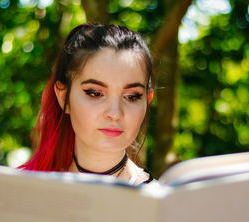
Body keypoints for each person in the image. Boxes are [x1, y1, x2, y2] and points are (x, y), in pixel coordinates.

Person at [19, 23, 156, 185]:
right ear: (63, 97)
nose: (115, 113)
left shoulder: (160, 201)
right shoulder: (24, 189)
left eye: (132, 97)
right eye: (95, 93)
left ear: (148, 100)